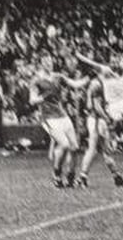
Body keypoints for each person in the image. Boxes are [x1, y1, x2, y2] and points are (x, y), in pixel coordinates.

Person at [30, 55, 88, 188]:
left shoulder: (58, 77)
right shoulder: (36, 80)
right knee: (64, 144)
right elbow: (32, 100)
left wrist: (88, 78)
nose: (49, 63)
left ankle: (71, 177)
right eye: (45, 61)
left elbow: (75, 84)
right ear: (41, 64)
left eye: (50, 61)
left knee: (74, 147)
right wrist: (43, 97)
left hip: (62, 115)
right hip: (49, 117)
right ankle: (56, 175)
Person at [76, 76, 123, 188]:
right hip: (96, 120)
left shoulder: (99, 83)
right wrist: (107, 118)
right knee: (93, 150)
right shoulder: (97, 84)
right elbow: (96, 106)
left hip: (96, 120)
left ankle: (117, 177)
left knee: (105, 151)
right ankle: (82, 178)